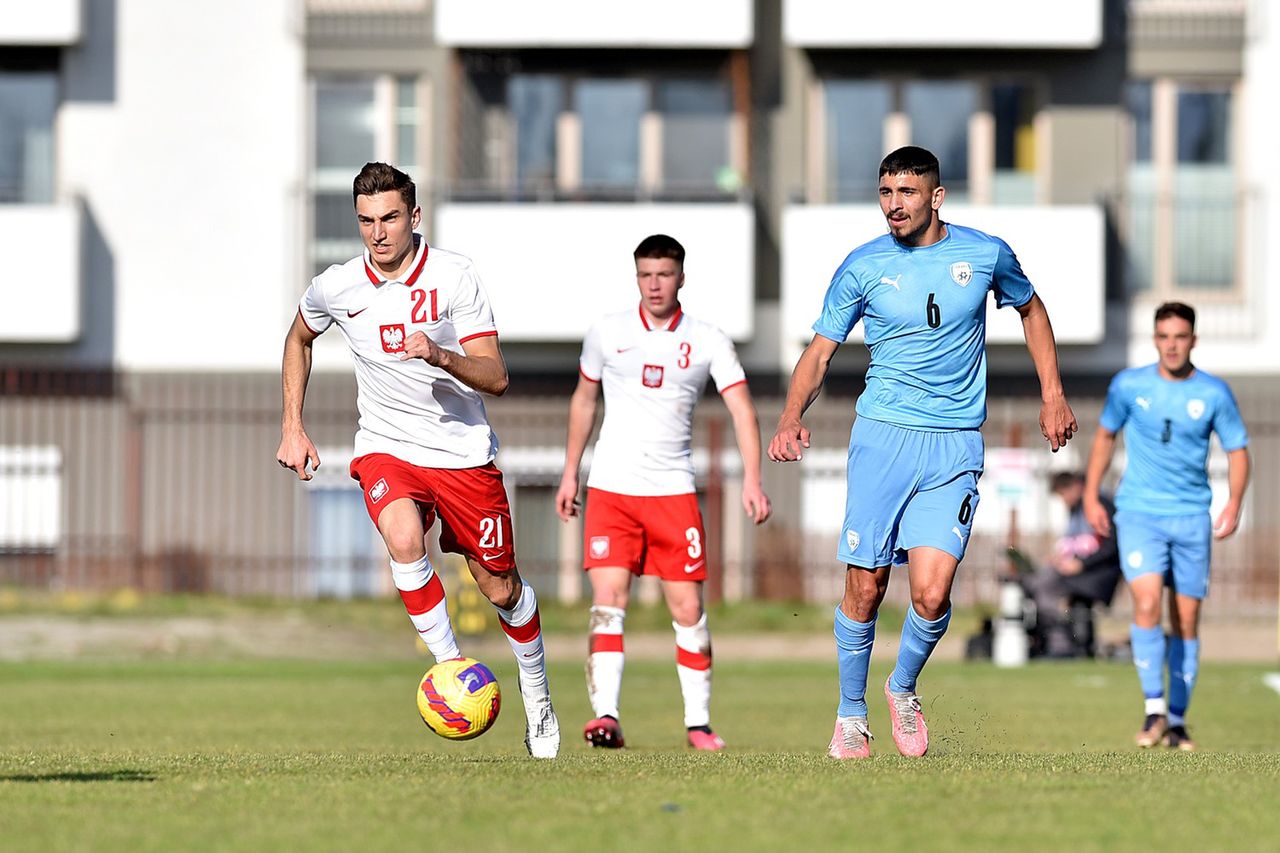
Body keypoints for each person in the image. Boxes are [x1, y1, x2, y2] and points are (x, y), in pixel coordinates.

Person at [768, 146, 1077, 759]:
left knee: (933, 594)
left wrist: (1054, 394)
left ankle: (901, 689)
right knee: (867, 584)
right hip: (882, 439)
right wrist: (788, 416)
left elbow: (1032, 309)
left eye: (907, 193)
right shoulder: (862, 266)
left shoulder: (985, 253)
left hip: (955, 444)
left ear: (936, 197)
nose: (894, 205)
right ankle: (850, 715)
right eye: (886, 193)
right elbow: (819, 352)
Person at [275, 162, 560, 758]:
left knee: (500, 587)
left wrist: (439, 354)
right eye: (366, 221)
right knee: (403, 538)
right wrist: (293, 425)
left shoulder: (455, 277)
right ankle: (452, 668)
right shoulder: (337, 285)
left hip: (462, 455)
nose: (378, 233)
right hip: (386, 446)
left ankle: (538, 697)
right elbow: (298, 337)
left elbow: (497, 377)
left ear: (414, 217)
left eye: (390, 218)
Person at [555, 234, 772, 751]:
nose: (654, 284)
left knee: (687, 608)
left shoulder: (708, 340)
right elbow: (584, 401)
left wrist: (754, 478)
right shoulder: (607, 332)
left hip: (673, 491)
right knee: (608, 601)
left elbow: (742, 408)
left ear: (681, 277)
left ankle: (698, 724)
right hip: (611, 488)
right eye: (646, 275)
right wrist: (570, 473)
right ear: (636, 277)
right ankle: (605, 716)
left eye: (664, 274)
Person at [1083, 301, 1250, 752]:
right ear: (1155, 339)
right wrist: (1090, 494)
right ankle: (1154, 709)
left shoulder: (1214, 393)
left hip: (1192, 516)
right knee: (1145, 603)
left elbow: (1237, 450)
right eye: (1163, 336)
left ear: (1193, 340)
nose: (1171, 345)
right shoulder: (1128, 385)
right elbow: (1104, 437)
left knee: (1188, 618)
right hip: (1139, 513)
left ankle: (1177, 721)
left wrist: (1234, 502)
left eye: (1179, 337)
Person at [1026, 471, 1121, 658]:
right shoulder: (1076, 510)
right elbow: (1078, 543)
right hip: (1083, 570)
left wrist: (1081, 564)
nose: (1063, 500)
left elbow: (1111, 546)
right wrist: (1060, 558)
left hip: (1099, 572)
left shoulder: (1099, 505)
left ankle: (1060, 644)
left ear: (1076, 487)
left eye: (1063, 494)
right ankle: (1057, 641)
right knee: (1038, 579)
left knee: (1044, 584)